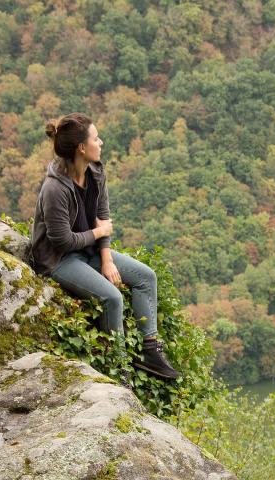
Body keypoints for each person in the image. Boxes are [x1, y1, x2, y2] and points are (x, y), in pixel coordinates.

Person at [30, 112, 180, 381]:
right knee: (112, 297)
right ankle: (119, 368)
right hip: (59, 259)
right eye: (96, 138)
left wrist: (107, 259)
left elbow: (103, 214)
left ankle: (151, 352)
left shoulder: (96, 171)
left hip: (89, 252)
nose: (102, 143)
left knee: (146, 276)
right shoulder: (54, 189)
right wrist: (99, 232)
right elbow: (62, 240)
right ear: (81, 148)